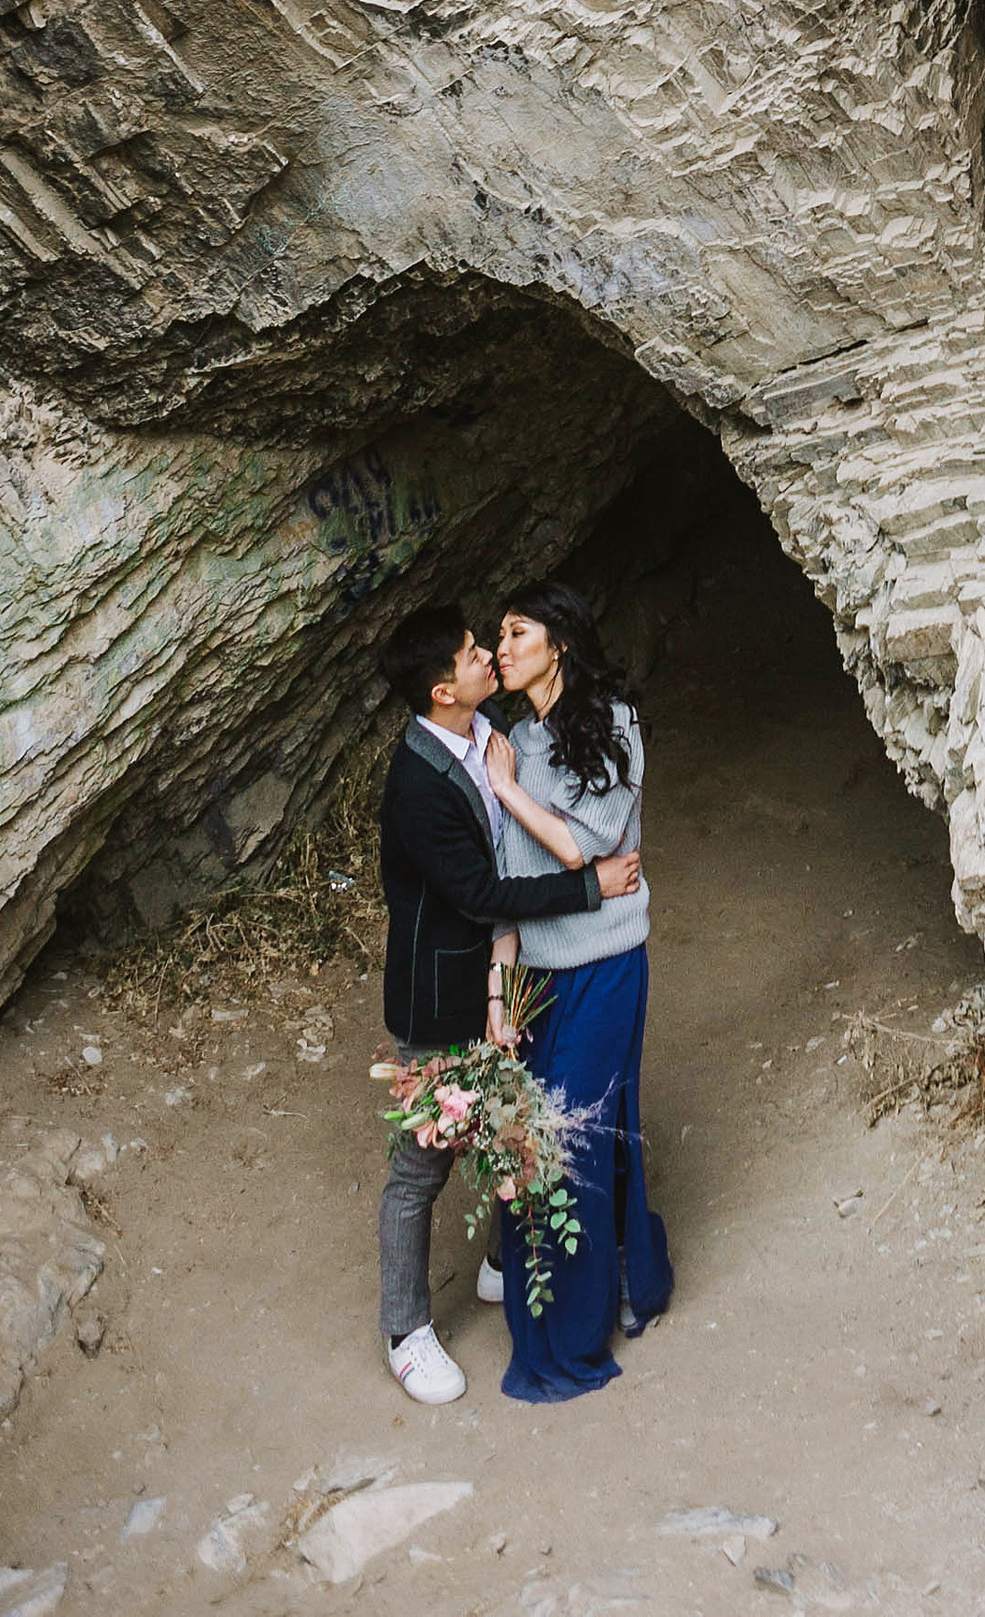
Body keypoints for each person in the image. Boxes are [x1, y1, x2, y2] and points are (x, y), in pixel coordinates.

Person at [373, 599, 642, 1404]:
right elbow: (482, 887)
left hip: (502, 980)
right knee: (421, 1166)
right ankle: (404, 1329)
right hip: (439, 997)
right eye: (468, 653)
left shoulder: (491, 732)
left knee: (512, 1125)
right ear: (440, 690)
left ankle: (502, 1262)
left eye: (492, 641)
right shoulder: (420, 779)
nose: (487, 653)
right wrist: (590, 883)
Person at [478, 577, 671, 1401]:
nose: (502, 647)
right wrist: (498, 991)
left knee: (580, 1140)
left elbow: (581, 848)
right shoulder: (513, 737)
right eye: (498, 635)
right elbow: (506, 882)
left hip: (605, 964)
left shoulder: (614, 727)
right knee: (539, 1143)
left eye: (518, 632)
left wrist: (508, 787)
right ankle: (627, 1278)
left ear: (558, 640)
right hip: (539, 980)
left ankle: (577, 1329)